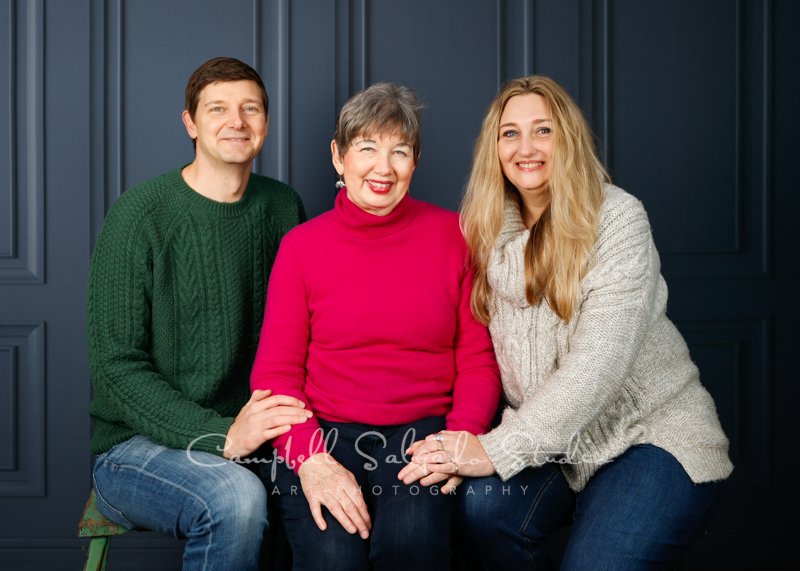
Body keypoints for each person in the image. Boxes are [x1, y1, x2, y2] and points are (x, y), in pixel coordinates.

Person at [400, 75, 734, 569]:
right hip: (556, 445)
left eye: (543, 130)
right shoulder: (481, 229)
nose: (525, 147)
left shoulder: (616, 219)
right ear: (494, 147)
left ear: (568, 139)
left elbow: (597, 366)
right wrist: (442, 442)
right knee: (482, 509)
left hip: (647, 434)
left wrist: (491, 450)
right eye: (510, 133)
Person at [249, 82, 501, 571]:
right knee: (332, 558)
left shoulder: (456, 237)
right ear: (339, 157)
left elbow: (477, 359)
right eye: (366, 148)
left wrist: (458, 440)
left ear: (415, 161)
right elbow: (276, 376)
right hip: (323, 433)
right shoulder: (302, 248)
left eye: (399, 151)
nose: (383, 168)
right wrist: (311, 459)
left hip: (423, 436)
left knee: (412, 546)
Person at [88, 56, 309, 570]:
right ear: (190, 122)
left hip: (256, 433)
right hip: (135, 447)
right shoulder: (138, 216)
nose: (237, 121)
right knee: (235, 497)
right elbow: (116, 368)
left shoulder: (283, 208)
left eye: (250, 108)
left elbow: (307, 334)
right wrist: (222, 435)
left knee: (348, 487)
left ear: (266, 123)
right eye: (218, 109)